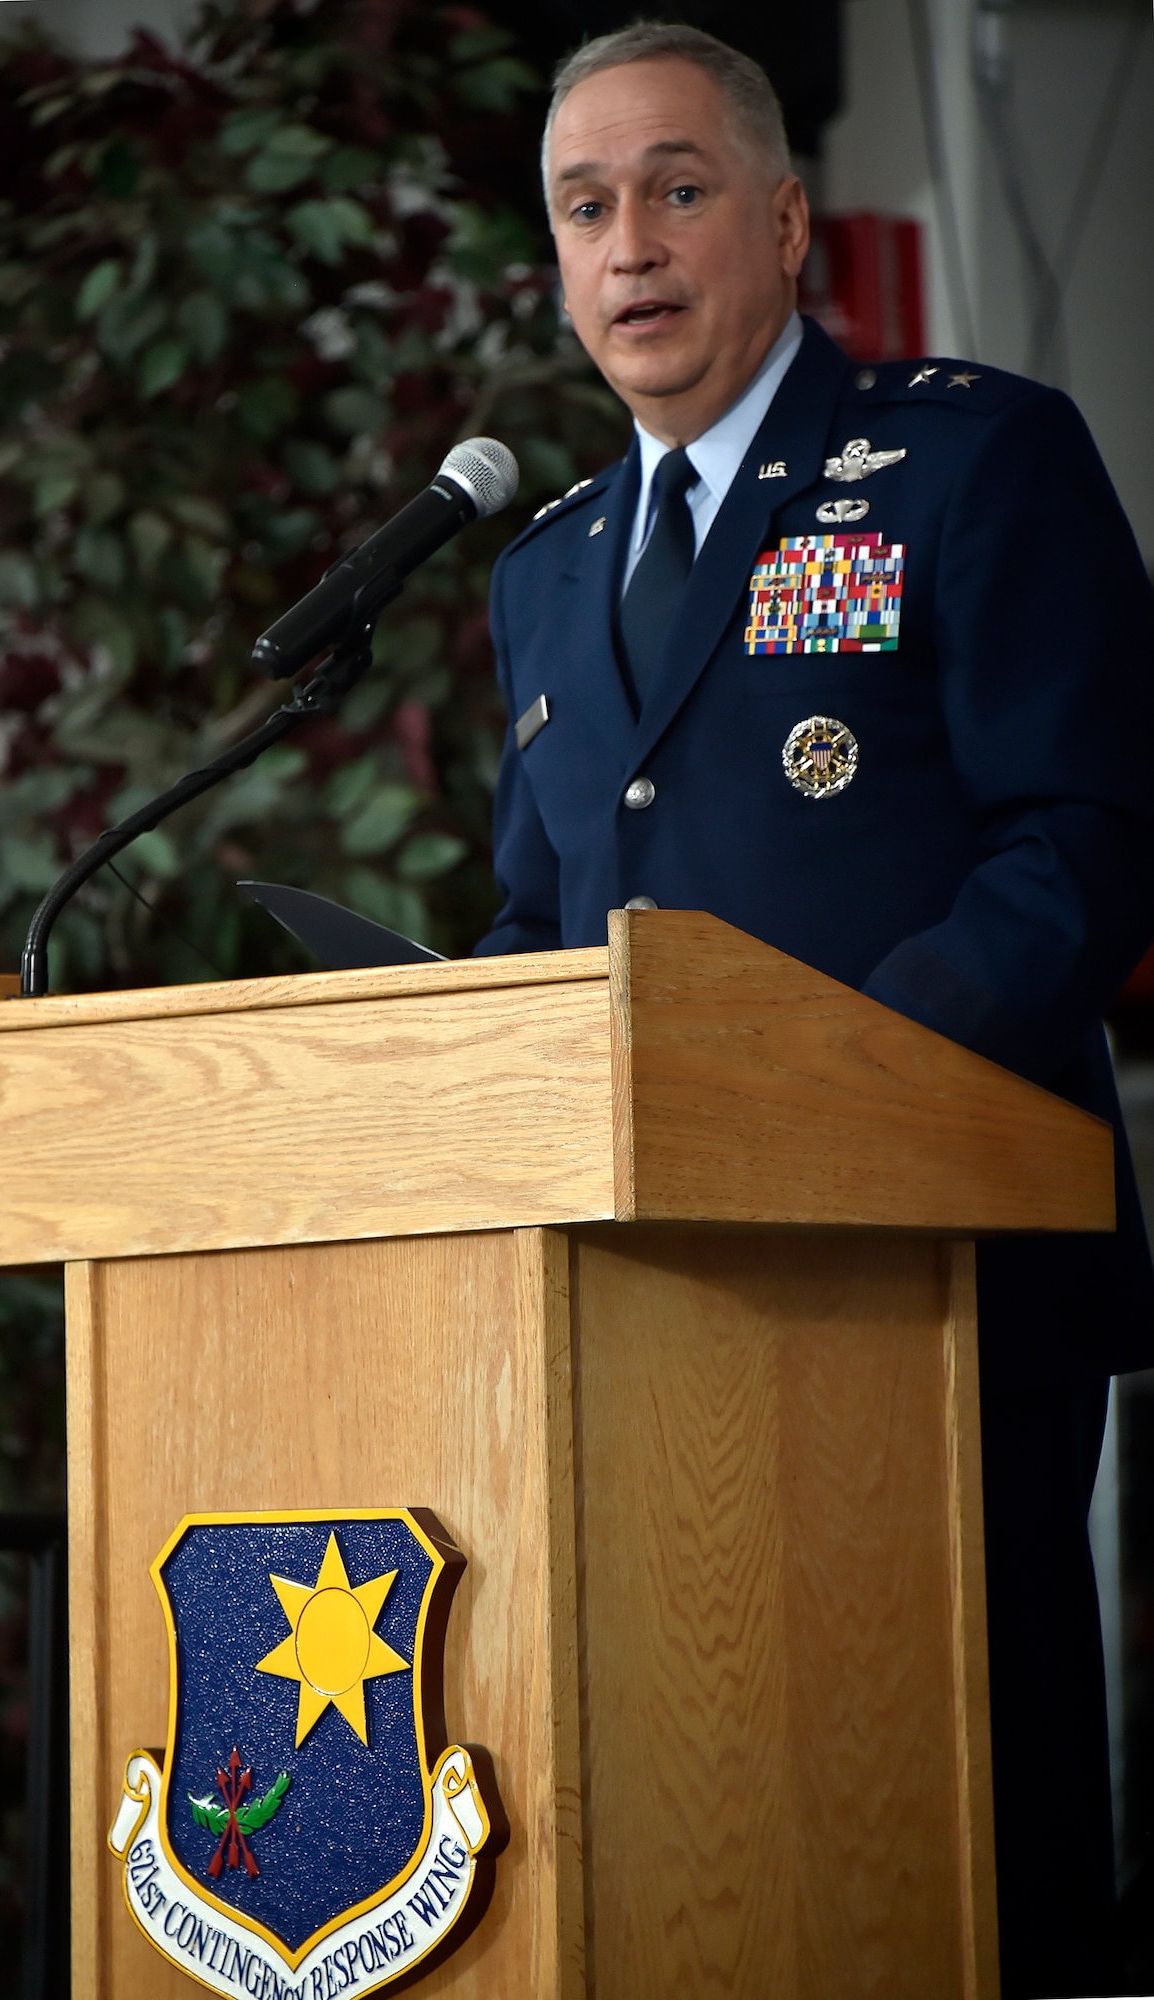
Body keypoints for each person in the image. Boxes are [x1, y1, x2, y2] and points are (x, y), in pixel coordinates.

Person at [473, 21, 1154, 1997]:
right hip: (648, 1303)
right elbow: (550, 910)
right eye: (583, 208)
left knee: (958, 1840)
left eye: (674, 188)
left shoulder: (969, 453)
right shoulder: (544, 569)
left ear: (780, 221)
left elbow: (1085, 824)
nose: (630, 246)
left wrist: (839, 1078)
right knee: (708, 1839)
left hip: (929, 1266)